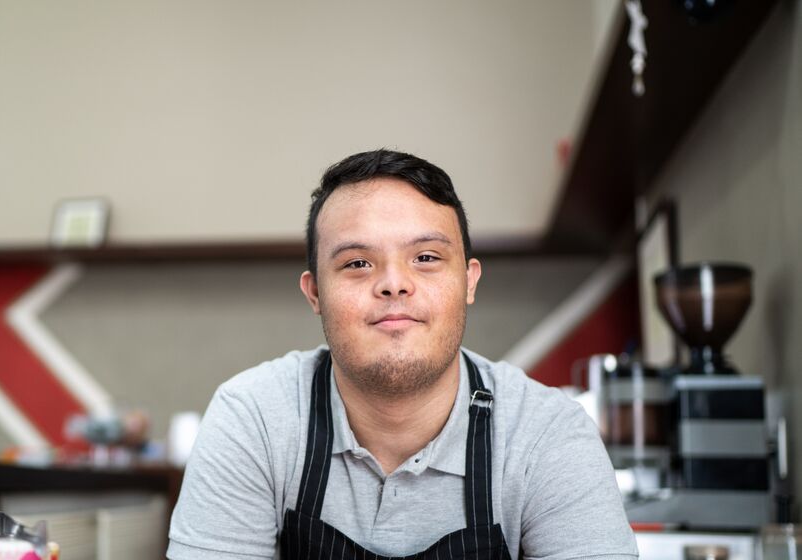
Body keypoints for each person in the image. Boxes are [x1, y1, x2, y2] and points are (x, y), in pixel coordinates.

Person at [167, 149, 637, 559]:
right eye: (357, 263)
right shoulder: (254, 419)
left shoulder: (547, 435)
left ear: (469, 280)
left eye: (427, 257)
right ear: (314, 294)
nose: (394, 283)